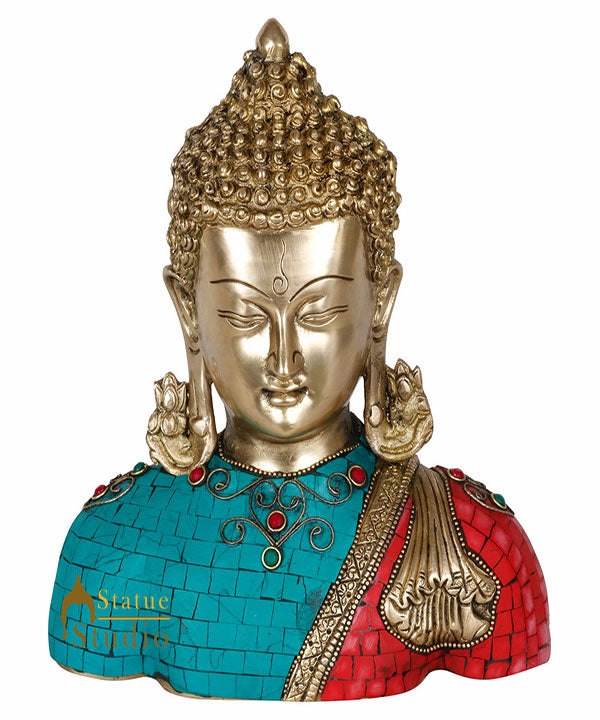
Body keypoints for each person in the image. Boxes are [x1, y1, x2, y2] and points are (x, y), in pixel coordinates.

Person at [48, 19, 549, 701]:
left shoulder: (470, 544)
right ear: (189, 313)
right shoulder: (115, 547)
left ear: (379, 304)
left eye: (318, 314)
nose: (283, 358)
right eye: (245, 316)